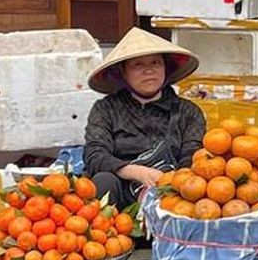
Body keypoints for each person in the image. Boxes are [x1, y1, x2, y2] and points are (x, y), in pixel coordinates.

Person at [83, 27, 205, 208]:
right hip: (122, 186)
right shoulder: (106, 109)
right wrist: (134, 171)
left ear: (166, 68)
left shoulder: (188, 112)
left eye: (155, 63)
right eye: (138, 65)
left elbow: (193, 157)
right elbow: (95, 154)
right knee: (103, 180)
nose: (149, 70)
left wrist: (166, 183)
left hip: (171, 190)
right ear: (123, 73)